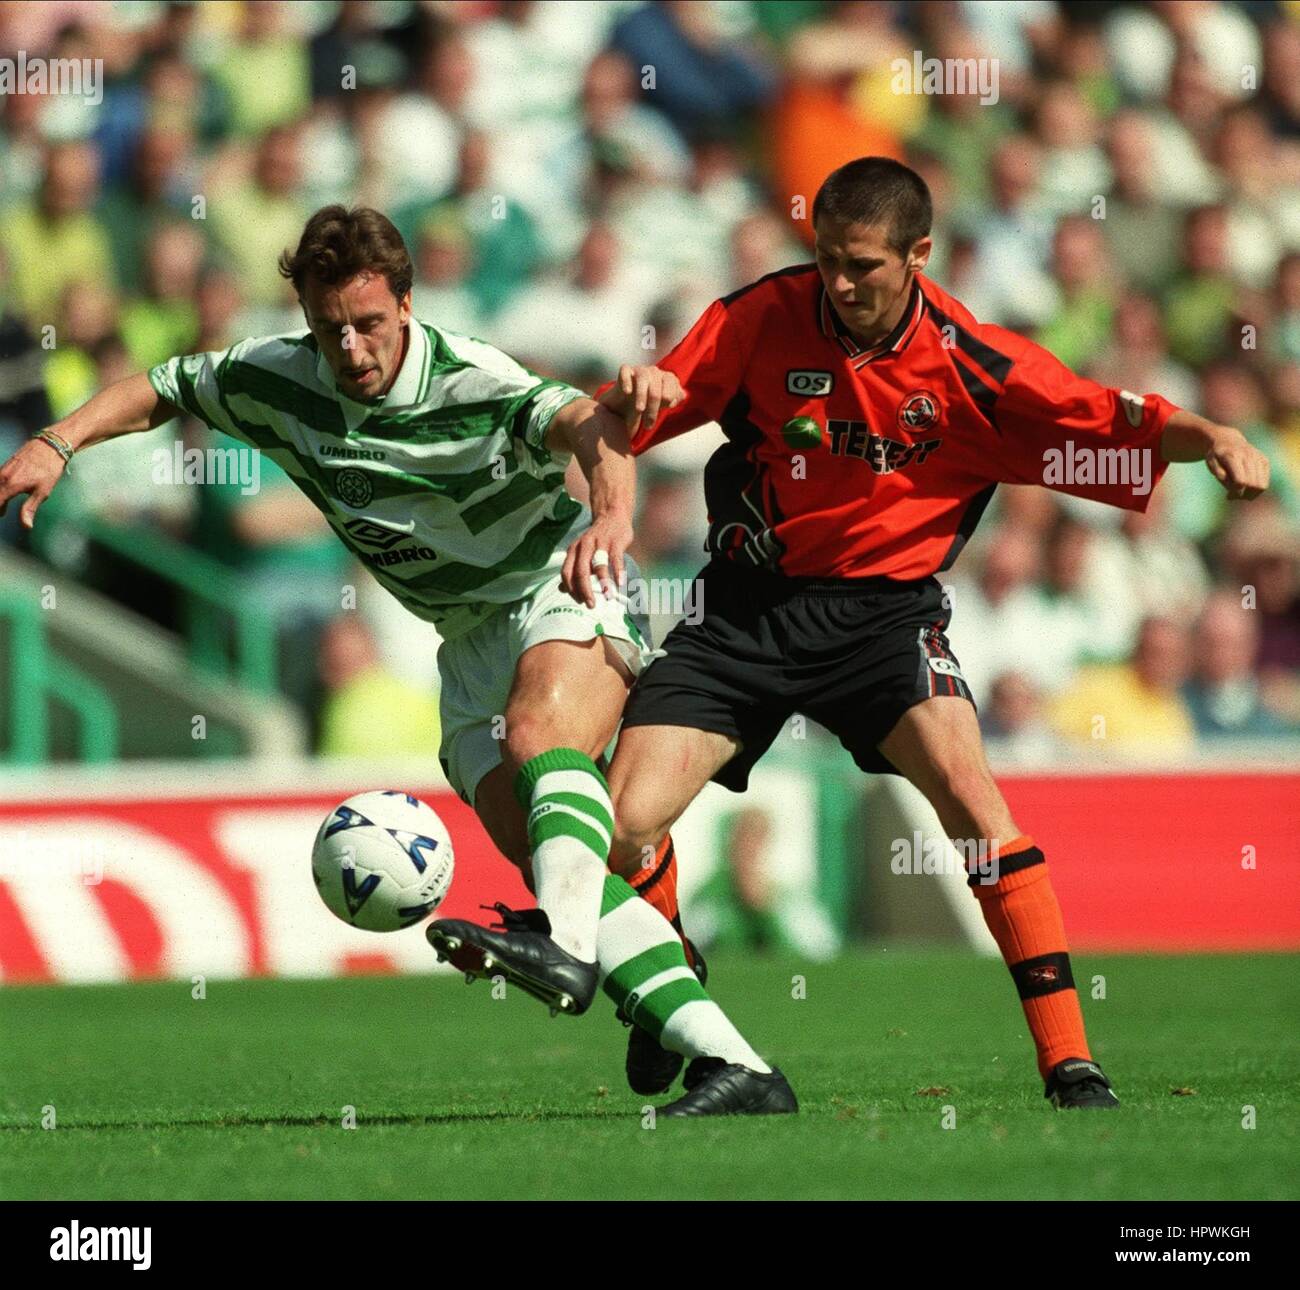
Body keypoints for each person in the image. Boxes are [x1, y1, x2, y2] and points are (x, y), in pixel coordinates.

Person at [0, 205, 794, 1120]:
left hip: (556, 585)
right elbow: (163, 386)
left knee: (541, 742)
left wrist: (613, 519)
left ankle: (569, 946)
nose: (351, 346)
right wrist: (57, 441)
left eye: (369, 323)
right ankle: (737, 1068)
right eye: (329, 327)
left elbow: (594, 426)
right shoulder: (278, 378)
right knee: (566, 859)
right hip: (462, 644)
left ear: (407, 306)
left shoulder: (469, 374)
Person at [518, 155, 1264, 1111]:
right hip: (741, 609)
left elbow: (1111, 417)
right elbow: (634, 413)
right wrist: (642, 397)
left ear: (919, 255)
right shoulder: (760, 316)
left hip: (884, 618)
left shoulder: (976, 365)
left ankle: (1071, 1064)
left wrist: (1216, 440)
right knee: (621, 826)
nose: (838, 283)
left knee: (980, 819)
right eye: (826, 258)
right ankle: (678, 982)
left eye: (862, 265)